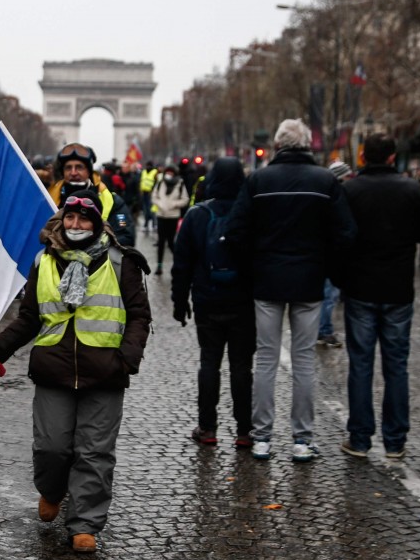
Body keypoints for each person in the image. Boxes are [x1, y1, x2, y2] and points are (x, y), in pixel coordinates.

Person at [0, 190, 151, 553]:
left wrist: (127, 360)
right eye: (70, 217)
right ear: (62, 220)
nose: (76, 224)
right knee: (52, 447)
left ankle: (85, 522)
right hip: (54, 370)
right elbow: (30, 319)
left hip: (105, 372)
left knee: (94, 451)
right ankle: (51, 490)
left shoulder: (123, 262)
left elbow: (139, 316)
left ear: (97, 222)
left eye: (84, 218)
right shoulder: (43, 261)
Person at [225, 119, 357, 461]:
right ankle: (302, 439)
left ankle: (262, 438)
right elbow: (346, 234)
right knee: (303, 362)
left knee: (266, 359)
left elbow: (235, 232)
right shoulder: (326, 181)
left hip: (267, 280)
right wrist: (328, 269)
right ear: (307, 144)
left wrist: (252, 266)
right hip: (310, 281)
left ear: (277, 144)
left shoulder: (258, 180)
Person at [337, 134, 420, 459]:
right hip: (398, 288)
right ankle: (395, 441)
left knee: (361, 365)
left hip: (361, 286)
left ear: (363, 156)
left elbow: (339, 237)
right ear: (393, 157)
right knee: (397, 366)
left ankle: (360, 438)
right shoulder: (411, 189)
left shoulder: (350, 190)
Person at [170, 157, 254, 448]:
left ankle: (207, 428)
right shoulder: (251, 213)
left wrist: (179, 303)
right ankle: (245, 431)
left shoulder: (197, 215)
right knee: (242, 367)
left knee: (209, 363)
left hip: (208, 300)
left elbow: (181, 265)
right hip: (243, 302)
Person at [318, 160, 354, 347]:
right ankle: (324, 331)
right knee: (329, 295)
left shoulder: (326, 195)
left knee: (328, 294)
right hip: (332, 254)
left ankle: (322, 329)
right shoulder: (338, 197)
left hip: (325, 253)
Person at [150, 164, 190, 275]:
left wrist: (174, 204)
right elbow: (154, 196)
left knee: (171, 242)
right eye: (167, 172)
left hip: (173, 216)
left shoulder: (180, 183)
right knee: (161, 241)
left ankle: (178, 263)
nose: (169, 175)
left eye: (171, 173)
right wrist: (160, 204)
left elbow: (185, 199)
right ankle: (159, 266)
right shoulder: (160, 182)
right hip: (161, 215)